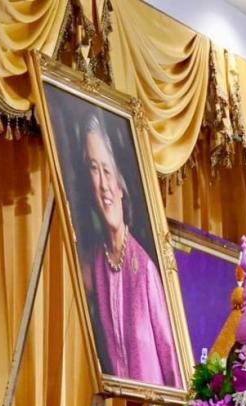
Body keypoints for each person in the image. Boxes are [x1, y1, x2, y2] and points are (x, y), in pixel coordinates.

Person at [78, 113, 182, 388]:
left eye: (107, 170)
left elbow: (171, 360)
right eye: (94, 169)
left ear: (121, 184)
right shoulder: (95, 265)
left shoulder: (145, 269)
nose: (103, 185)